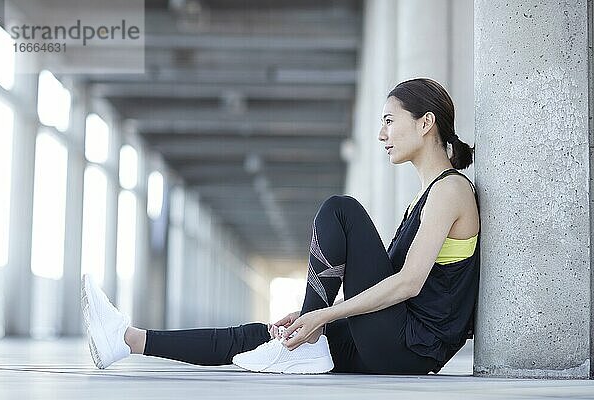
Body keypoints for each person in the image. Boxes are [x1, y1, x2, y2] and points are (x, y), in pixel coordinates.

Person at [81, 77, 480, 375]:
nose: (381, 135)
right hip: (394, 341)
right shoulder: (424, 196)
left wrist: (321, 316)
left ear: (426, 123)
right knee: (262, 335)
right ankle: (129, 340)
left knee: (341, 210)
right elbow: (392, 285)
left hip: (411, 347)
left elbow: (408, 284)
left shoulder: (451, 190)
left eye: (390, 121)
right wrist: (317, 317)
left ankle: (307, 339)